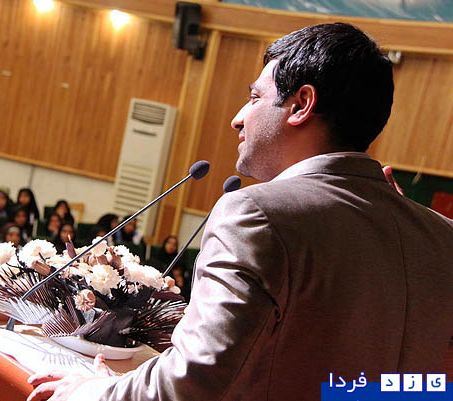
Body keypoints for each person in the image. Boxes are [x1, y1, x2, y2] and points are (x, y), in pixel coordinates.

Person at [26, 23, 453, 401]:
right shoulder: (443, 236)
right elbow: (425, 386)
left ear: (301, 104)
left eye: (254, 97)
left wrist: (93, 392)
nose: (237, 118)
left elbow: (191, 383)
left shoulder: (256, 214)